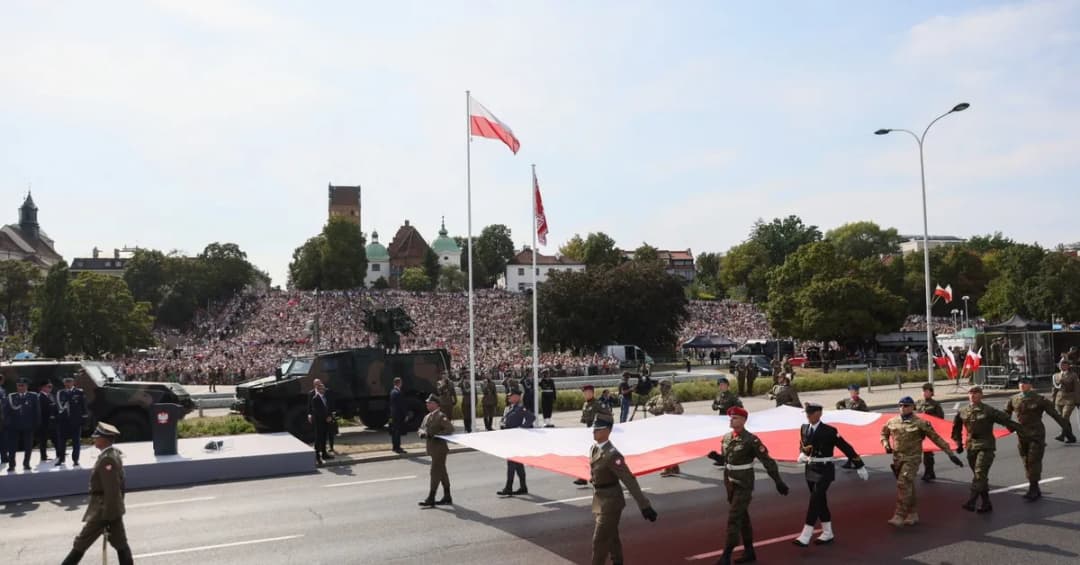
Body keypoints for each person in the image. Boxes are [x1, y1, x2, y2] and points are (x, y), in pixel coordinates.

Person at [707, 406, 789, 565]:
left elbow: (768, 461)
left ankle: (726, 555)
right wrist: (718, 457)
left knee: (734, 517)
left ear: (744, 420)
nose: (731, 420)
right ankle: (750, 551)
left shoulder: (751, 440)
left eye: (735, 418)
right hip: (730, 483)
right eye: (730, 417)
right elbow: (727, 460)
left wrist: (778, 481)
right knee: (742, 517)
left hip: (744, 484)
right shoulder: (726, 438)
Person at [792, 403, 868, 547]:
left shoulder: (830, 431)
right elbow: (803, 445)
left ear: (819, 413)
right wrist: (802, 453)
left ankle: (806, 534)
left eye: (811, 412)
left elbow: (846, 447)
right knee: (820, 501)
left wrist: (859, 464)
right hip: (810, 468)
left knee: (815, 499)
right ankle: (828, 533)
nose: (808, 415)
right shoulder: (804, 428)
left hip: (824, 469)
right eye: (807, 413)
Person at [881, 396, 963, 526]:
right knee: (908, 486)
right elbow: (884, 434)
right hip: (898, 459)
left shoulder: (920, 423)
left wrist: (950, 454)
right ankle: (913, 514)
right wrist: (885, 444)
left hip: (912, 458)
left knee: (903, 483)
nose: (903, 408)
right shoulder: (892, 421)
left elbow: (936, 438)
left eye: (906, 405)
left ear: (913, 407)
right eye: (901, 405)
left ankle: (899, 515)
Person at [60, 422, 134, 565]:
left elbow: (112, 490)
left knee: (81, 542)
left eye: (97, 437)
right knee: (121, 543)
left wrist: (107, 515)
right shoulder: (112, 454)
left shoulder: (107, 459)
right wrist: (116, 509)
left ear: (105, 439)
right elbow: (120, 487)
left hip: (103, 511)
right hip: (112, 510)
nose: (94, 439)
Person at [588, 413, 657, 565]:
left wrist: (644, 505)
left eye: (597, 429)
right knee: (611, 537)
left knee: (599, 541)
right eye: (593, 429)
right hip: (599, 501)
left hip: (611, 503)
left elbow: (629, 480)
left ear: (607, 431)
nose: (594, 432)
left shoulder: (613, 455)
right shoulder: (594, 448)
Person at [952, 386, 1025, 513]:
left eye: (976, 393)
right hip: (971, 446)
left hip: (986, 445)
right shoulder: (963, 411)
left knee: (980, 473)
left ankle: (972, 501)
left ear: (981, 395)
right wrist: (958, 444)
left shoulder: (988, 410)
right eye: (971, 393)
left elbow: (1005, 420)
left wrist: (1022, 431)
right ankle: (986, 503)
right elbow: (956, 428)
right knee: (979, 476)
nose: (973, 395)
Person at [1004, 376, 1075, 501]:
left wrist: (1067, 430)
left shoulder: (1039, 399)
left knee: (1033, 460)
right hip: (1022, 434)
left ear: (1030, 385)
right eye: (1020, 383)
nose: (1022, 385)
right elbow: (1005, 415)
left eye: (1025, 383)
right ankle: (1035, 487)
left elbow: (1054, 414)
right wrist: (1010, 427)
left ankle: (1033, 487)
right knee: (1026, 460)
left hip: (1036, 434)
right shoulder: (1014, 399)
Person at [418, 394, 455, 508]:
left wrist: (436, 435)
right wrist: (422, 434)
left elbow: (450, 429)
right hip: (432, 448)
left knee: (434, 472)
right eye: (427, 403)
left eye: (429, 403)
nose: (427, 404)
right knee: (442, 472)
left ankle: (431, 497)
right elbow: (421, 428)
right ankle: (447, 495)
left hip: (440, 449)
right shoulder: (427, 416)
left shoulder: (440, 416)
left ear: (436, 404)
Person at [497, 388, 534, 496]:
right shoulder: (509, 408)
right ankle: (523, 487)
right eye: (508, 396)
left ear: (517, 397)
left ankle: (509, 487)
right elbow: (505, 421)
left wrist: (521, 428)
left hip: (516, 440)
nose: (509, 397)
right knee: (518, 465)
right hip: (509, 439)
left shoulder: (521, 408)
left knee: (511, 464)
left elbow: (531, 418)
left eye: (511, 396)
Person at [646, 380, 684, 477]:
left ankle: (668, 468)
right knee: (666, 447)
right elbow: (647, 404)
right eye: (660, 386)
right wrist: (653, 410)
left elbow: (680, 410)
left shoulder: (672, 398)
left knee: (668, 447)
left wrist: (667, 415)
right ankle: (674, 467)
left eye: (663, 386)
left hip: (670, 427)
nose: (661, 388)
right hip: (660, 426)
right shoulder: (658, 398)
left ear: (668, 387)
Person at [577, 385, 611, 485]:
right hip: (589, 433)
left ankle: (609, 476)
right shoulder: (585, 404)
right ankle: (584, 477)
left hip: (599, 434)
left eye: (587, 392)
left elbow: (608, 417)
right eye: (584, 393)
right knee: (589, 456)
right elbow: (584, 419)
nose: (585, 395)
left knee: (600, 458)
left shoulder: (599, 404)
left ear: (592, 393)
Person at [4, 378, 40, 471]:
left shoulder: (33, 396)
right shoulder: (11, 396)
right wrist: (7, 423)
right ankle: (12, 465)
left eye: (22, 385)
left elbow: (37, 411)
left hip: (28, 425)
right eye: (19, 385)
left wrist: (36, 424)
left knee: (28, 446)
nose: (20, 387)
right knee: (12, 447)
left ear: (26, 386)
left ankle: (26, 463)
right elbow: (6, 411)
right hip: (14, 426)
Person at [915, 383, 945, 482]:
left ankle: (929, 472)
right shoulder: (919, 402)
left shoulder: (935, 404)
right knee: (919, 452)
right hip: (919, 431)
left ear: (931, 393)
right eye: (923, 391)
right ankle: (929, 472)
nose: (924, 393)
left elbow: (940, 418)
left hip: (930, 431)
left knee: (928, 453)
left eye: (927, 391)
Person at [56, 375, 88, 466]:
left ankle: (75, 459)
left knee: (76, 441)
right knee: (62, 441)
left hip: (76, 421)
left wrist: (84, 420)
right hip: (63, 421)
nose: (68, 383)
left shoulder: (79, 392)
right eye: (66, 381)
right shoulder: (60, 393)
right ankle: (61, 459)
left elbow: (83, 406)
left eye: (70, 381)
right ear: (64, 383)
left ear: (73, 382)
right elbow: (58, 406)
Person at [307, 379, 334, 465]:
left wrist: (329, 416)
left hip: (326, 420)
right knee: (318, 438)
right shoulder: (315, 398)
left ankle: (324, 454)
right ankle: (317, 456)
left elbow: (328, 407)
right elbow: (317, 411)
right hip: (319, 421)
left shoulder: (325, 397)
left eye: (324, 389)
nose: (323, 390)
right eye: (322, 389)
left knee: (324, 437)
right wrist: (325, 417)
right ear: (317, 389)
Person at [1052, 360, 1079, 433]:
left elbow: (1077, 388)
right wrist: (1052, 401)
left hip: (1070, 398)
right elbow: (1054, 389)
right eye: (1060, 364)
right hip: (1059, 399)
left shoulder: (1073, 375)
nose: (1062, 366)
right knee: (1062, 418)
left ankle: (1062, 434)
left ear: (1068, 366)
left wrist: (1077, 401)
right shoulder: (1055, 376)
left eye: (1064, 364)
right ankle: (1070, 436)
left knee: (1065, 416)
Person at [36, 381, 56, 462]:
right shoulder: (39, 396)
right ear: (43, 387)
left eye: (51, 387)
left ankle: (59, 453)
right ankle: (43, 456)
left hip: (51, 422)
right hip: (43, 422)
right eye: (48, 386)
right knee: (43, 440)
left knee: (56, 438)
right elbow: (40, 410)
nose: (50, 388)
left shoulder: (51, 396)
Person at [389, 377, 407, 454]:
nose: (401, 384)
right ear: (398, 383)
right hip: (398, 415)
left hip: (394, 414)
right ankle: (397, 447)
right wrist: (405, 414)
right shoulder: (397, 392)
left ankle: (394, 447)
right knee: (397, 431)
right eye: (401, 382)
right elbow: (401, 405)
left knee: (394, 431)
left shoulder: (392, 391)